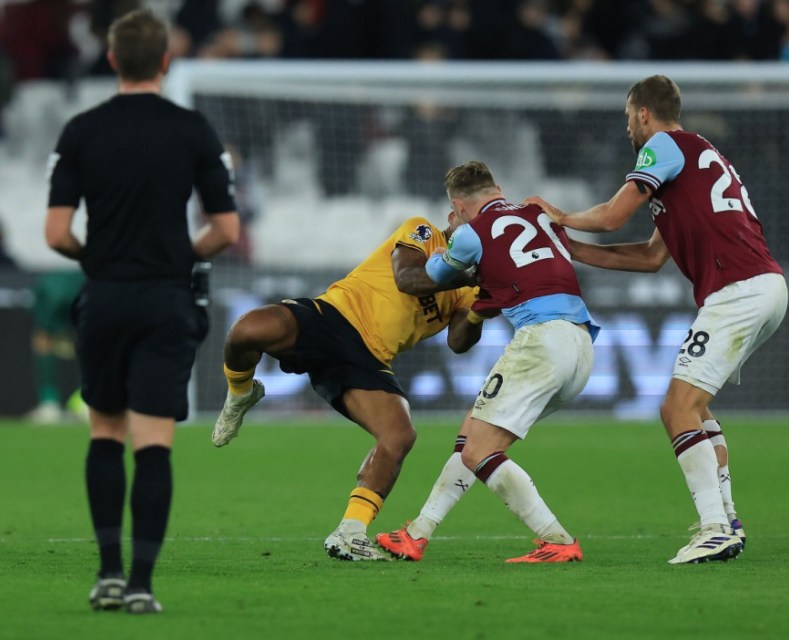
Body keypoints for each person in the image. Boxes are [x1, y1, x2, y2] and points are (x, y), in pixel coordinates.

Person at [524, 75, 787, 565]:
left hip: (739, 289)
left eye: (628, 116)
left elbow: (611, 216)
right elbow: (649, 257)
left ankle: (713, 528)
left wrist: (556, 216)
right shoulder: (692, 161)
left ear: (643, 112)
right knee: (697, 409)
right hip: (763, 287)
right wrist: (574, 250)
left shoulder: (663, 146)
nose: (627, 128)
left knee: (676, 409)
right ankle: (726, 520)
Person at [45, 9, 240, 614]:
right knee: (153, 442)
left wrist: (99, 260)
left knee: (104, 430)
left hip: (104, 297)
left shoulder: (80, 130)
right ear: (165, 61)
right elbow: (226, 229)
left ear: (110, 60)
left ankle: (106, 573)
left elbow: (55, 233)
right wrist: (177, 256)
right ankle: (141, 586)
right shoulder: (192, 130)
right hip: (164, 299)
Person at [212, 212, 483, 561]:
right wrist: (464, 276)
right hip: (333, 316)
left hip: (368, 359)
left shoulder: (471, 289)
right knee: (247, 330)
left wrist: (480, 309)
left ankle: (350, 532)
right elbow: (406, 278)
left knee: (399, 435)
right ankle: (240, 394)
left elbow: (459, 343)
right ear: (453, 216)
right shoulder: (424, 231)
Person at [376, 161, 599, 564]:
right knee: (472, 437)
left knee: (478, 452)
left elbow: (429, 277)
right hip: (582, 344)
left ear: (459, 206)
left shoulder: (470, 233)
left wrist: (447, 247)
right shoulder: (539, 215)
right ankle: (416, 534)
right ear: (497, 188)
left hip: (541, 341)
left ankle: (557, 539)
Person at [26, 269, 86, 424]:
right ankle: (87, 402)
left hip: (75, 273)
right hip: (87, 273)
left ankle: (50, 404)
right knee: (95, 337)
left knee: (43, 338)